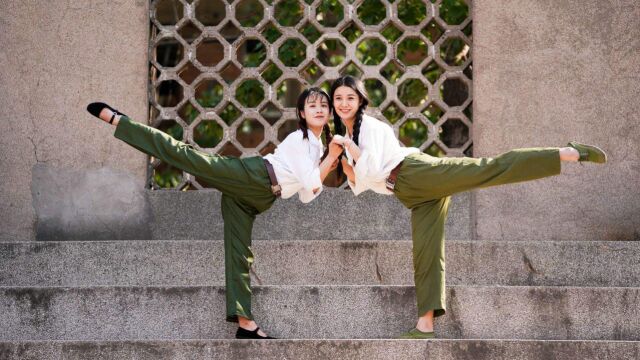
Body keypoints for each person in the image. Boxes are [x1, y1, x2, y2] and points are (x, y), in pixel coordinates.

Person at [328, 75, 607, 339]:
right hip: (409, 193)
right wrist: (341, 160)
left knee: (490, 168)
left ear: (361, 100)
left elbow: (374, 168)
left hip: (417, 173)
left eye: (349, 97)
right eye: (338, 98)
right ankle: (425, 324)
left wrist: (348, 148)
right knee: (426, 252)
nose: (343, 103)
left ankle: (565, 153)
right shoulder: (351, 134)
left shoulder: (372, 128)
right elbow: (360, 182)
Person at [86, 87, 343, 339]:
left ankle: (246, 325)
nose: (319, 109)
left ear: (330, 112)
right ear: (301, 112)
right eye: (312, 105)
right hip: (253, 176)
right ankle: (122, 121)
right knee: (186, 156)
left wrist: (328, 159)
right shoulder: (300, 139)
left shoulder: (319, 148)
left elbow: (307, 195)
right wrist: (330, 159)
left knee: (240, 254)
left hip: (261, 198)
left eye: (323, 106)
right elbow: (312, 183)